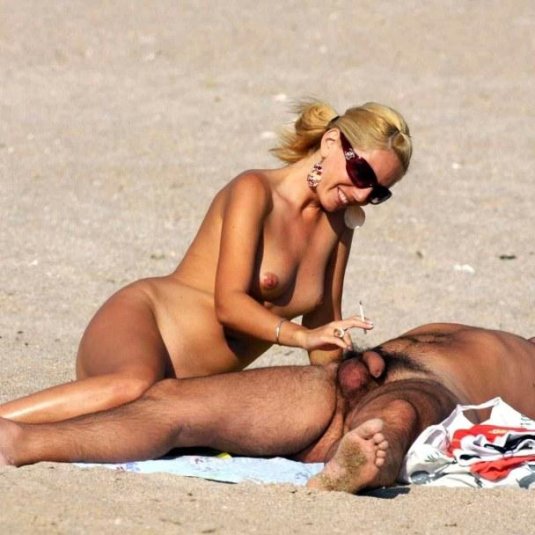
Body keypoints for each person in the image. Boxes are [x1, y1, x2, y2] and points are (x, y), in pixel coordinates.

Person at [0, 100, 412, 424]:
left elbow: (323, 326)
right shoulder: (255, 192)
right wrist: (300, 337)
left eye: (379, 192)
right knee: (134, 386)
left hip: (185, 389)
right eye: (362, 173)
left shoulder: (340, 224)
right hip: (145, 323)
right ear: (331, 143)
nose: (363, 195)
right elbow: (228, 305)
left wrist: (347, 388)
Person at [1, 322, 535, 495]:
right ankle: (20, 440)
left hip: (428, 387)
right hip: (336, 378)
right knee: (171, 401)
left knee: (394, 419)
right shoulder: (510, 339)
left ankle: (368, 460)